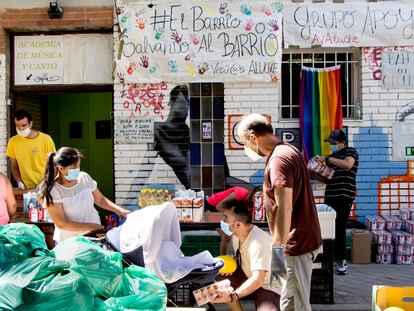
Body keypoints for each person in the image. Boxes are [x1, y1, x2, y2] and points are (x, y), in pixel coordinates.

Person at [238, 114, 322, 311]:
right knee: (288, 302)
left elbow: (285, 207)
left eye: (245, 143)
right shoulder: (287, 150)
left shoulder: (278, 160)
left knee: (296, 305)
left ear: (253, 137)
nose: (247, 148)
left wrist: (276, 250)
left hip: (295, 243)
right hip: (298, 240)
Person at [39, 147, 130, 243]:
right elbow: (61, 223)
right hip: (70, 242)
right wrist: (92, 226)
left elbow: (100, 200)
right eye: (73, 168)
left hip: (94, 236)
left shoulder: (84, 178)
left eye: (78, 166)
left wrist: (122, 211)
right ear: (61, 168)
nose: (77, 170)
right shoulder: (54, 190)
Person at [212, 199, 280, 311]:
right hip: (250, 276)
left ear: (238, 224)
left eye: (226, 218)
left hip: (269, 286)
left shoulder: (258, 242)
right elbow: (241, 257)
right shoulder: (237, 235)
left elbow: (257, 280)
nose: (222, 221)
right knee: (219, 276)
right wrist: (229, 264)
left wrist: (232, 296)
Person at [313, 129, 358, 275]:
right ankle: (328, 260)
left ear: (343, 142)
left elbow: (348, 165)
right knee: (328, 229)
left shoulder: (350, 152)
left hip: (344, 196)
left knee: (339, 228)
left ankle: (341, 261)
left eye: (334, 143)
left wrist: (327, 159)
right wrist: (315, 170)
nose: (332, 145)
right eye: (331, 143)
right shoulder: (331, 157)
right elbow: (327, 179)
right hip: (331, 195)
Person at [6, 110, 56, 189]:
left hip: (46, 186)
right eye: (17, 125)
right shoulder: (12, 142)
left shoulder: (46, 139)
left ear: (30, 124)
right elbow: (14, 166)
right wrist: (19, 182)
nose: (20, 128)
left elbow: (53, 165)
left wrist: (45, 182)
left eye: (23, 125)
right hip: (26, 188)